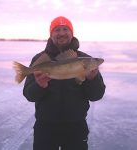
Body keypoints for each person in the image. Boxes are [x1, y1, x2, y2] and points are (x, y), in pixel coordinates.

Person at [23, 16, 106, 150]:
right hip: (45, 128)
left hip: (76, 128)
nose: (61, 33)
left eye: (65, 29)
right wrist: (40, 86)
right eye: (57, 30)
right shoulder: (40, 59)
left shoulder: (86, 60)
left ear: (72, 33)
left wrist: (92, 79)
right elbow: (29, 95)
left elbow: (96, 95)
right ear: (51, 35)